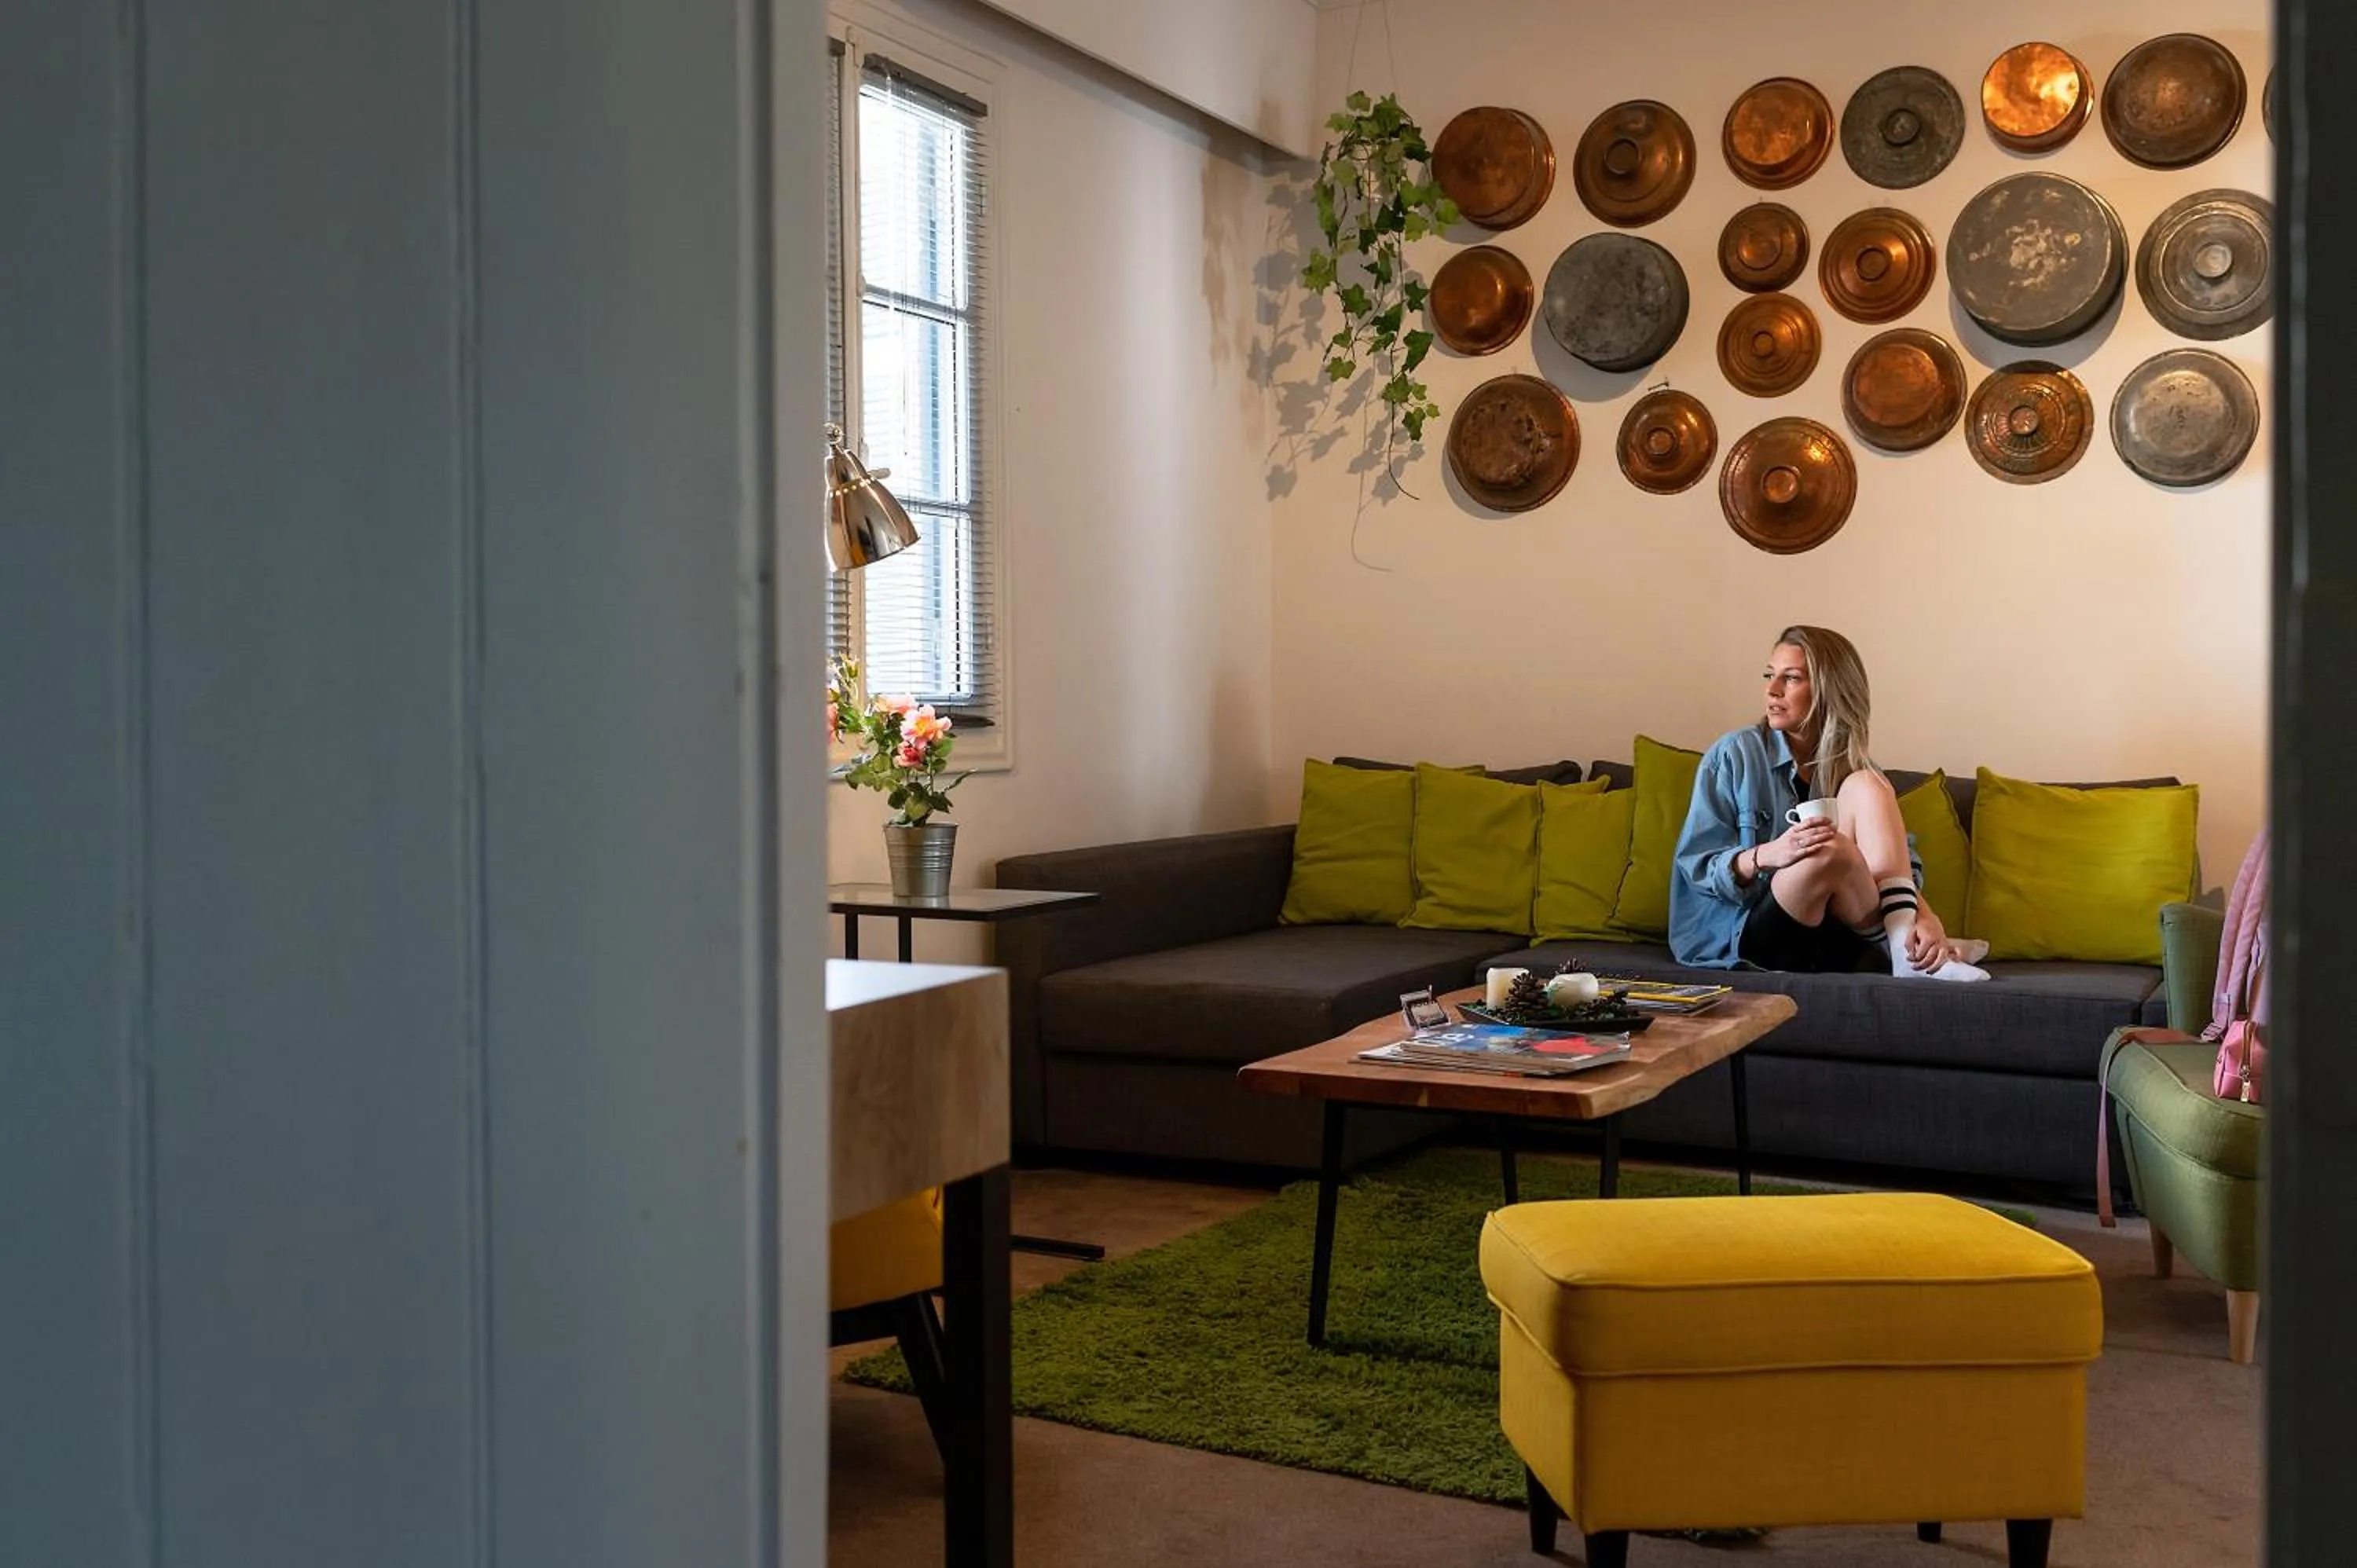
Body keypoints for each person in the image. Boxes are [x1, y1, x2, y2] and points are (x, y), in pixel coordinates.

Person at [1668, 625, 1989, 981]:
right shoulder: (1735, 754)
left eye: (1790, 679)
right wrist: (1767, 854)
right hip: (1750, 933)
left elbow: (1894, 869)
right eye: (1769, 675)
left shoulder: (1858, 770)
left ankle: (1907, 950)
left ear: (1828, 689)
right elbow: (1695, 866)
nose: (1771, 690)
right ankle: (1905, 952)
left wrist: (1927, 919)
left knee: (1867, 783)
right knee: (1832, 848)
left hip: (1837, 933)